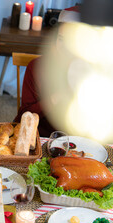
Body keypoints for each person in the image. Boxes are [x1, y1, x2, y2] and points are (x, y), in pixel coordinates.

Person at [14, 7, 80, 137]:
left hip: (80, 142)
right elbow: (24, 116)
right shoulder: (37, 67)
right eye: (61, 39)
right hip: (41, 138)